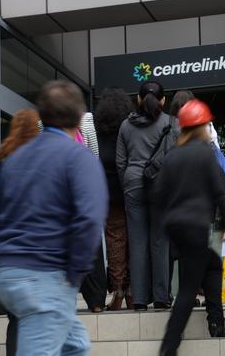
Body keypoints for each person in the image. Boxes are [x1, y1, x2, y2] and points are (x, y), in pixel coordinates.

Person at [0, 80, 108, 356]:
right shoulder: (78, 157)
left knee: (76, 346)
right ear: (80, 117)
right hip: (46, 275)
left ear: (42, 115)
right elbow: (90, 220)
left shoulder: (16, 157)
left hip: (9, 273)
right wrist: (74, 273)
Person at [154, 99, 225, 356]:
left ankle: (216, 321)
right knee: (188, 289)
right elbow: (220, 191)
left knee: (212, 264)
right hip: (197, 225)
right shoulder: (205, 153)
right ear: (201, 127)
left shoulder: (172, 155)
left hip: (176, 226)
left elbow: (159, 193)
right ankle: (169, 346)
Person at [0, 109, 41, 356]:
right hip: (31, 245)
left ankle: (2, 296)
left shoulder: (4, 154)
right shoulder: (38, 157)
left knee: (17, 319)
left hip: (9, 244)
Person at [116, 81, 172, 310]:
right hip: (161, 185)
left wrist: (128, 184)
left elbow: (120, 162)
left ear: (138, 99)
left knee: (137, 242)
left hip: (132, 183)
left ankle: (138, 298)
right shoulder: (170, 123)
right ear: (163, 100)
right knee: (160, 241)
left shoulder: (125, 126)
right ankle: (161, 297)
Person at [94, 87, 134, 310]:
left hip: (108, 196)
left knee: (114, 241)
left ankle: (118, 291)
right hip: (130, 192)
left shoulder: (98, 133)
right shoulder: (128, 130)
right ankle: (132, 292)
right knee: (134, 241)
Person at [78, 111, 109, 313]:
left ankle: (95, 298)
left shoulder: (45, 126)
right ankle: (96, 300)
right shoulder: (86, 121)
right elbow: (95, 156)